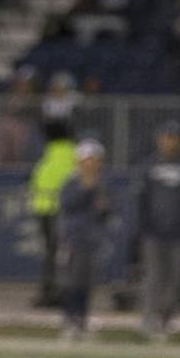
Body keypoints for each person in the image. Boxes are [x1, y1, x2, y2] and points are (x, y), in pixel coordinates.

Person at [136, 120, 180, 342]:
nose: (169, 141)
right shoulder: (148, 166)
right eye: (166, 137)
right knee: (153, 278)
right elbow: (140, 199)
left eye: (173, 137)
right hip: (154, 233)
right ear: (159, 139)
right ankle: (148, 320)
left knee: (175, 280)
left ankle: (165, 319)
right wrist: (142, 228)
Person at [56, 138, 112, 340]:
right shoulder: (72, 183)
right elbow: (68, 204)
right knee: (73, 282)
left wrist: (104, 208)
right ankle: (70, 320)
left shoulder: (102, 184)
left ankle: (82, 320)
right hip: (74, 239)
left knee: (88, 284)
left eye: (94, 159)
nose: (91, 164)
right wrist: (87, 189)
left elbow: (106, 210)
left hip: (93, 240)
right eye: (87, 159)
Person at [27, 120, 75, 308]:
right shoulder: (67, 152)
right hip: (57, 209)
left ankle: (54, 293)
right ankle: (55, 292)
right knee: (58, 254)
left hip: (51, 209)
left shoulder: (58, 153)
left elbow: (40, 179)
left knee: (54, 254)